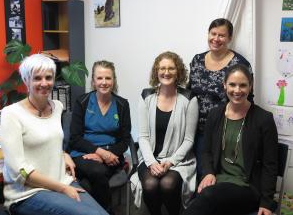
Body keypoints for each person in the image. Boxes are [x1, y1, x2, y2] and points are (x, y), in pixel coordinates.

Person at [0, 54, 108, 215]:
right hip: (28, 193)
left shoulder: (57, 106)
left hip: (61, 181)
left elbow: (48, 138)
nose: (44, 83)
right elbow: (19, 170)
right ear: (26, 80)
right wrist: (62, 188)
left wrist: (63, 153)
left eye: (48, 77)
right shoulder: (11, 114)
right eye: (37, 78)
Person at [182, 64, 278, 215]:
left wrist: (267, 202)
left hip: (246, 187)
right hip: (217, 180)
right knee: (206, 200)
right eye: (232, 84)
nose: (237, 90)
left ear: (250, 86)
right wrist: (208, 172)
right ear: (224, 85)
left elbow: (270, 164)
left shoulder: (264, 119)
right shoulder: (215, 114)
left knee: (207, 197)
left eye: (243, 85)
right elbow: (205, 151)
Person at [130, 51, 198, 215]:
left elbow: (189, 140)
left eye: (171, 68)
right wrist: (152, 163)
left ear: (178, 71)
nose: (166, 72)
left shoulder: (189, 99)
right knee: (150, 185)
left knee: (167, 185)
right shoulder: (146, 96)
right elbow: (143, 137)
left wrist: (169, 162)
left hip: (178, 161)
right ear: (156, 71)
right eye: (162, 68)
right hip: (149, 158)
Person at [187, 18, 253, 183]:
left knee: (210, 178)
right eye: (213, 33)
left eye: (221, 35)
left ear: (230, 38)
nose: (216, 39)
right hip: (194, 129)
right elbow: (189, 92)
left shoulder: (240, 64)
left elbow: (248, 98)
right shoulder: (197, 60)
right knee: (190, 177)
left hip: (222, 132)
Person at [68, 60, 131, 213]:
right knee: (97, 172)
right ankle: (107, 212)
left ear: (113, 80)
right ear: (93, 81)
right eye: (100, 78)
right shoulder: (82, 102)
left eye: (108, 78)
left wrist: (105, 154)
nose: (104, 82)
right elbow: (75, 138)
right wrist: (99, 152)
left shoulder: (122, 105)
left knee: (87, 184)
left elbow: (125, 140)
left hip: (111, 156)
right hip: (82, 154)